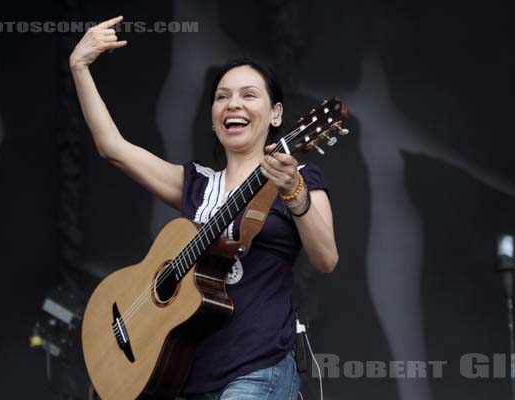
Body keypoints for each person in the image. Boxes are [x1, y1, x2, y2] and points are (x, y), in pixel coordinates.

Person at [69, 15, 338, 400]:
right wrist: (79, 67)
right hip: (184, 376)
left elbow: (326, 257)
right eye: (222, 96)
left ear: (276, 114)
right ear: (213, 119)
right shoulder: (196, 184)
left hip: (256, 369)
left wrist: (294, 191)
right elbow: (113, 148)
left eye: (249, 95)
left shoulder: (300, 176)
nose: (233, 104)